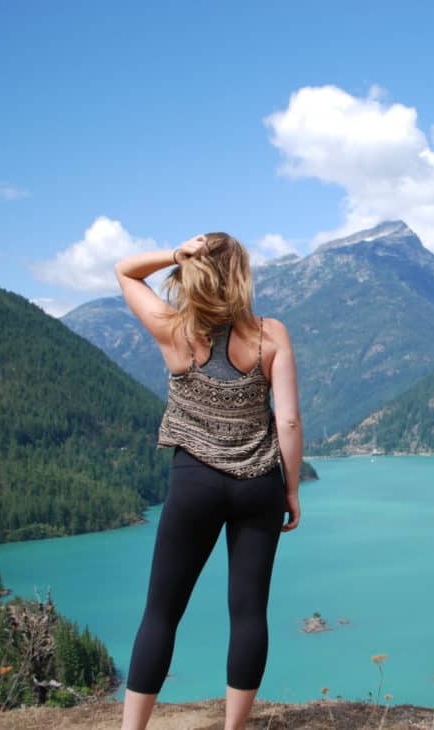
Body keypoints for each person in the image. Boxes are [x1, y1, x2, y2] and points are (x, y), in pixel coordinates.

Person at [114, 233, 302, 730]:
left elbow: (125, 271)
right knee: (248, 612)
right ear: (242, 276)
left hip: (194, 481)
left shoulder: (174, 331)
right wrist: (291, 490)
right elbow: (287, 423)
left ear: (194, 270)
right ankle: (233, 728)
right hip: (259, 484)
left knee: (161, 613)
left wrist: (176, 254)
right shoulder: (271, 335)